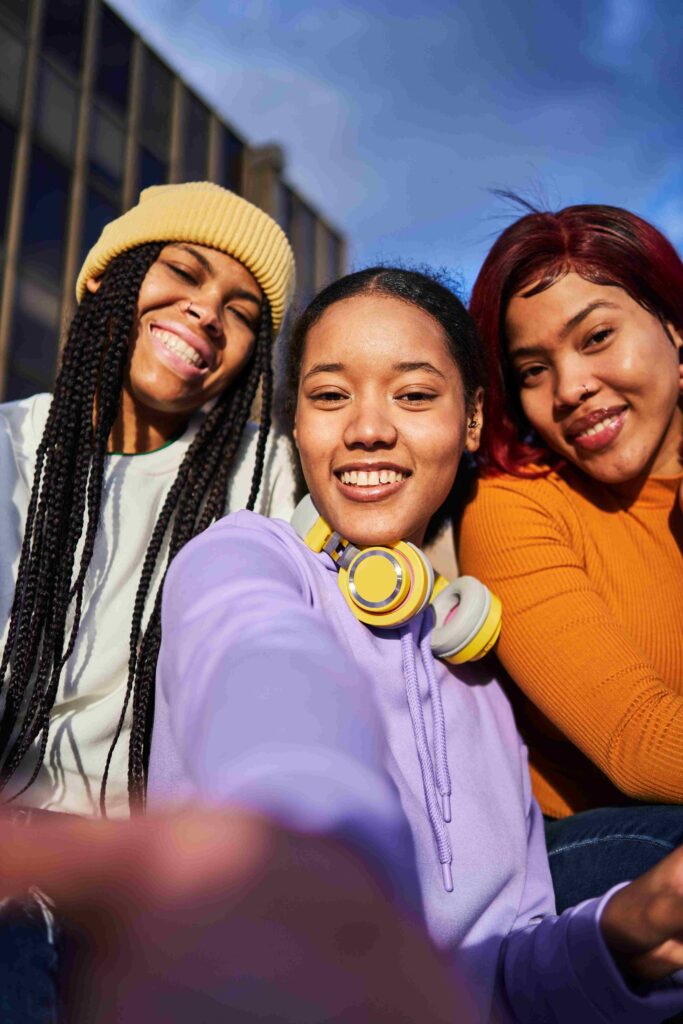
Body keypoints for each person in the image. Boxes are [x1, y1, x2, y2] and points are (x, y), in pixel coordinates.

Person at [143, 267, 683, 1022]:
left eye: (415, 394)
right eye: (329, 396)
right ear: (296, 424)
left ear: (471, 422)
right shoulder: (239, 558)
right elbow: (259, 681)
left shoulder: (479, 675)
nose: (368, 427)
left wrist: (615, 936)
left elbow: (505, 974)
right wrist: (309, 817)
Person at [0, 181, 296, 1019]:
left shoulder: (265, 475)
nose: (206, 313)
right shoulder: (12, 446)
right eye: (184, 273)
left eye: (242, 311)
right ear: (106, 282)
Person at [457, 202, 683, 911]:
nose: (569, 388)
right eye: (532, 369)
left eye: (597, 337)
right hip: (593, 850)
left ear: (674, 327)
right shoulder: (511, 507)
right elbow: (636, 742)